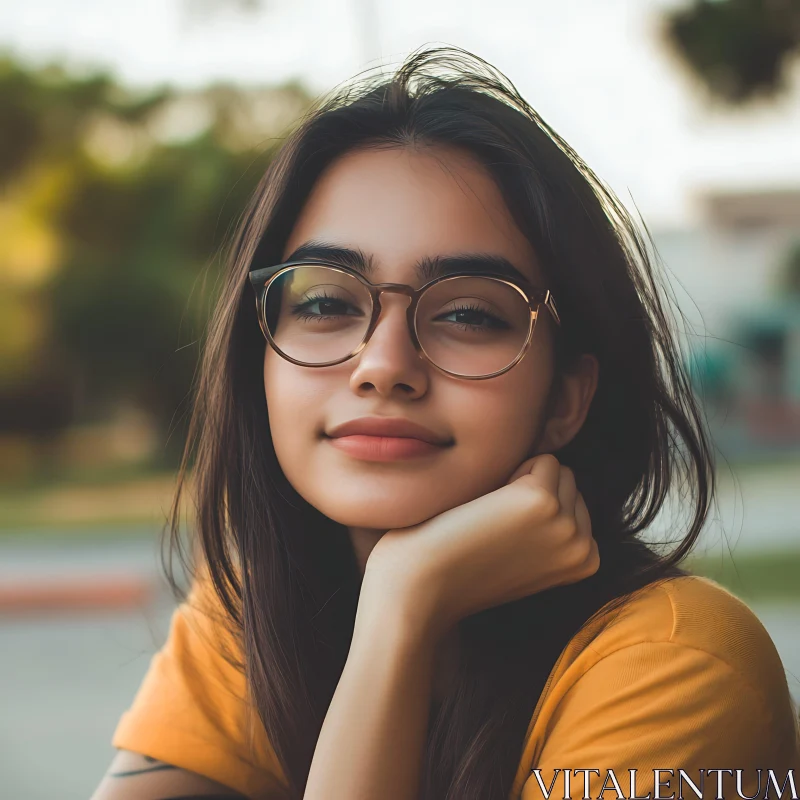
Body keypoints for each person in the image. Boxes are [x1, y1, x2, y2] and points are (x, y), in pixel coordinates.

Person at [89, 45, 800, 800]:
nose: (383, 364)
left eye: (467, 313)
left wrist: (402, 609)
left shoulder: (678, 666)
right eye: (326, 303)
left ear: (566, 397)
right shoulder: (252, 614)